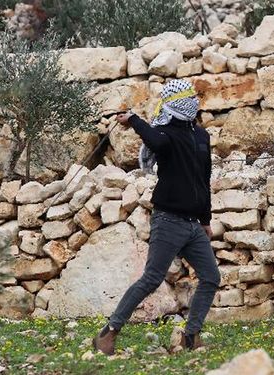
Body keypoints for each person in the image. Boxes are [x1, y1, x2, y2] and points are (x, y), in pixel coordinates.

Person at [93, 79, 220, 355]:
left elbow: (204, 178)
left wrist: (206, 220)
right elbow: (154, 141)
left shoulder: (201, 136)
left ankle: (191, 336)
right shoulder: (165, 134)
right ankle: (109, 332)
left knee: (211, 277)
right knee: (152, 279)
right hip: (169, 220)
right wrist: (135, 121)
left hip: (194, 225)